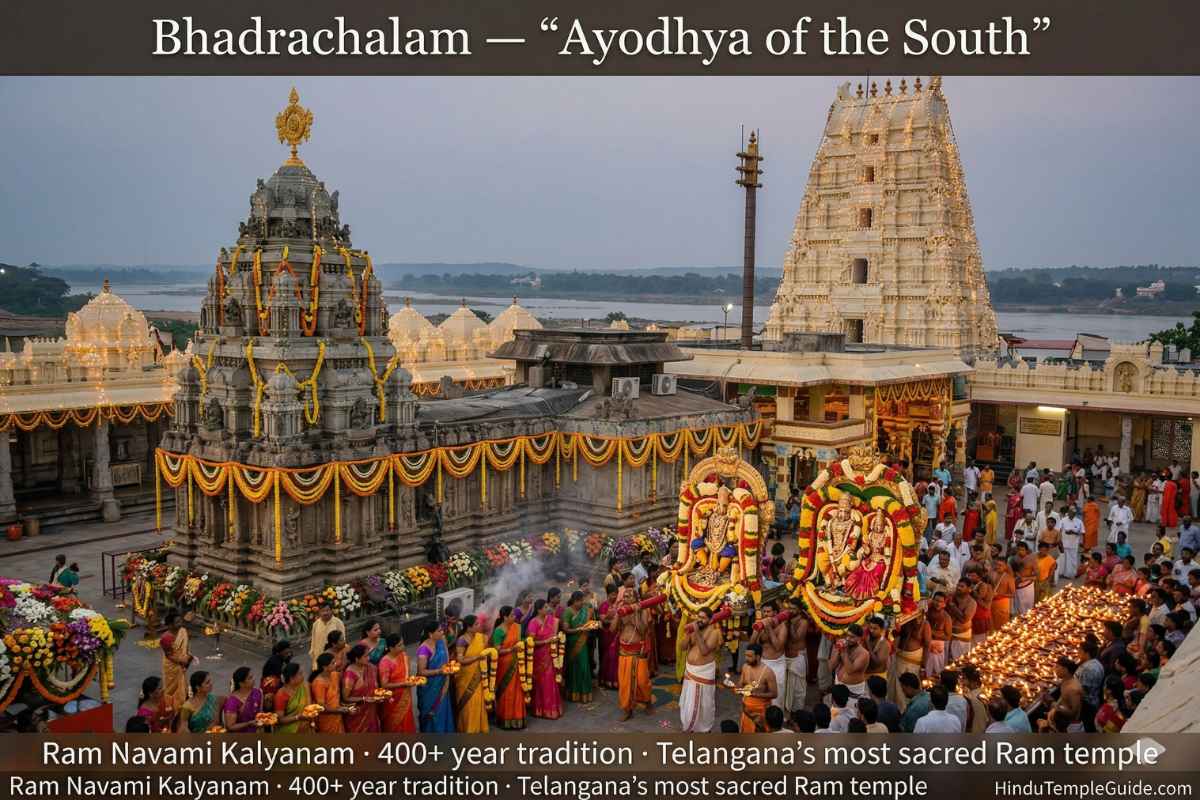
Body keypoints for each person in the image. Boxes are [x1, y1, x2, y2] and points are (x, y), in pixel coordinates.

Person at [679, 607, 722, 733]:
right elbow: (682, 647)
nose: (699, 620)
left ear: (710, 620)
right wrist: (687, 634)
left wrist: (696, 632)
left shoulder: (714, 632)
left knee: (704, 704)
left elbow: (704, 651)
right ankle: (690, 726)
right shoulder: (693, 630)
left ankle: (703, 729)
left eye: (703, 618)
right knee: (688, 702)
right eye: (698, 617)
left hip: (704, 672)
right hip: (690, 671)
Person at [615, 590, 652, 719]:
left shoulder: (642, 611)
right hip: (624, 651)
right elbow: (612, 629)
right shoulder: (622, 611)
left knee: (642, 681)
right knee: (625, 683)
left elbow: (643, 630)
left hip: (638, 651)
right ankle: (627, 709)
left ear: (636, 599)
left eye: (629, 596)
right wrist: (617, 614)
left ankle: (648, 701)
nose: (626, 598)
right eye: (625, 596)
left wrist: (635, 614)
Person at [524, 599, 562, 720]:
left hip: (550, 654)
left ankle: (551, 709)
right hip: (539, 656)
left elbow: (555, 629)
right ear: (539, 610)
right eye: (545, 607)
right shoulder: (533, 623)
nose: (548, 609)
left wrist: (555, 639)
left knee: (551, 679)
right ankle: (540, 709)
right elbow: (531, 643)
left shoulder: (550, 619)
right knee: (541, 682)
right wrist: (546, 641)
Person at [491, 606, 527, 730]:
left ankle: (517, 717)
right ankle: (504, 718)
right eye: (511, 615)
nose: (514, 617)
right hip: (504, 664)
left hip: (517, 662)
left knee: (517, 690)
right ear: (505, 617)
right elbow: (497, 651)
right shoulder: (499, 631)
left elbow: (520, 640)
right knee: (506, 691)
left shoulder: (517, 627)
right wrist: (512, 649)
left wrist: (524, 643)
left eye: (514, 615)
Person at [453, 615, 490, 733]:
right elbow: (461, 660)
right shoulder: (462, 640)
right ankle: (468, 730)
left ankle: (479, 728)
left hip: (479, 675)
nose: (479, 626)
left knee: (479, 702)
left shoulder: (481, 637)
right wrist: (477, 657)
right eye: (476, 624)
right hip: (465, 677)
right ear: (468, 628)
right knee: (468, 704)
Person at [415, 622, 455, 732]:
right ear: (430, 634)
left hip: (443, 684)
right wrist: (439, 671)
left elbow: (447, 661)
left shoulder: (442, 641)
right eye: (439, 631)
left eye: (442, 630)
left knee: (442, 711)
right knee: (431, 714)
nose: (442, 633)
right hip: (429, 687)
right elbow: (421, 671)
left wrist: (448, 671)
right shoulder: (423, 649)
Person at [731, 642, 778, 733]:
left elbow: (774, 694)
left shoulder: (768, 672)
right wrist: (735, 687)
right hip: (747, 708)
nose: (746, 658)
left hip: (761, 712)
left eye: (750, 656)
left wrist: (754, 694)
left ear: (758, 657)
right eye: (746, 655)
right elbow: (741, 683)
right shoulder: (745, 667)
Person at [751, 603, 789, 710]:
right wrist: (755, 632)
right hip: (763, 663)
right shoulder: (760, 625)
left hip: (777, 665)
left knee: (777, 696)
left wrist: (769, 628)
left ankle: (775, 720)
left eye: (769, 612)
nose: (766, 614)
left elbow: (778, 647)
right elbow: (751, 645)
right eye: (764, 612)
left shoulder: (782, 627)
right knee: (762, 692)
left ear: (775, 613)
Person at [378, 633, 417, 733]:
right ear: (391, 648)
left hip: (405, 695)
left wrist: (411, 680)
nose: (403, 647)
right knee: (394, 725)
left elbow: (407, 674)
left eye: (403, 644)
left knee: (407, 721)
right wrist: (403, 684)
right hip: (393, 699)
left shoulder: (403, 655)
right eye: (399, 645)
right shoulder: (385, 662)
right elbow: (384, 685)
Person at [342, 644, 381, 733]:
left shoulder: (370, 667)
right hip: (357, 713)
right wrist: (364, 699)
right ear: (356, 659)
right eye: (366, 656)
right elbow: (346, 697)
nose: (369, 658)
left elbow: (376, 686)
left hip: (371, 711)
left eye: (368, 655)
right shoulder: (350, 674)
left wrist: (379, 696)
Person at [562, 591, 593, 704]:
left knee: (584, 667)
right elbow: (565, 629)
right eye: (579, 601)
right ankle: (574, 693)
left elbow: (588, 623)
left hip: (583, 643)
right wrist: (579, 630)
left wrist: (590, 626)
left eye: (582, 601)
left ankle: (584, 693)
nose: (581, 603)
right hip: (572, 643)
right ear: (573, 601)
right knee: (574, 668)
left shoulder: (584, 610)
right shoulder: (568, 612)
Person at [892, 614, 929, 709]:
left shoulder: (925, 624)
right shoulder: (904, 620)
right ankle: (901, 709)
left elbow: (927, 646)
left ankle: (915, 708)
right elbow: (894, 634)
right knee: (899, 687)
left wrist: (923, 667)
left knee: (913, 684)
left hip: (915, 661)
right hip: (900, 658)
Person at [159, 610, 194, 710]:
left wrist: (187, 657)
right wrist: (182, 661)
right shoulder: (166, 638)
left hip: (181, 662)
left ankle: (182, 703)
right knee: (171, 689)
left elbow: (185, 648)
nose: (180, 624)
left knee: (182, 684)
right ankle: (171, 706)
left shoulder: (182, 631)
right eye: (177, 622)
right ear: (170, 625)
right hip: (172, 666)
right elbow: (169, 655)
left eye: (180, 621)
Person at [310, 652, 348, 734]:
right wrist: (339, 710)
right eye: (333, 663)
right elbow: (322, 707)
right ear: (324, 667)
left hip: (337, 716)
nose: (336, 664)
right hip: (327, 720)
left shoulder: (334, 675)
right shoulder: (319, 683)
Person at [829, 623, 869, 699]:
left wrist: (844, 652)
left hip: (853, 689)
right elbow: (831, 667)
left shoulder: (864, 654)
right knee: (836, 710)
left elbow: (850, 670)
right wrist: (837, 651)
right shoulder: (842, 646)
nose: (848, 639)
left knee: (852, 711)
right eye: (847, 635)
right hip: (838, 684)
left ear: (859, 638)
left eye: (852, 637)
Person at [783, 602, 810, 713]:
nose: (790, 610)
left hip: (798, 657)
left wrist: (791, 625)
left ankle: (797, 713)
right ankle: (787, 712)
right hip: (786, 657)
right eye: (789, 607)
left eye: (793, 608)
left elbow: (796, 639)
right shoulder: (787, 620)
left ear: (799, 610)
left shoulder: (803, 622)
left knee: (798, 690)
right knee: (786, 688)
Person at [273, 662, 312, 733]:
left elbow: (309, 704)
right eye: (300, 674)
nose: (303, 676)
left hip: (304, 727)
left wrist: (308, 717)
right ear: (292, 678)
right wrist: (297, 717)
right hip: (288, 731)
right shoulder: (281, 695)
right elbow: (280, 720)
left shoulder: (304, 685)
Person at [1046, 657, 1083, 732]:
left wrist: (1054, 705)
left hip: (1069, 726)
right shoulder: (1065, 680)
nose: (1054, 669)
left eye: (1057, 667)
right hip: (1060, 718)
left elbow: (1073, 713)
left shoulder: (1073, 689)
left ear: (1065, 670)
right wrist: (1054, 709)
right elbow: (1063, 697)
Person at [222, 667, 264, 733]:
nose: (254, 679)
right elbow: (230, 726)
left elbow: (260, 713)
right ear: (241, 683)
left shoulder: (257, 692)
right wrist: (248, 723)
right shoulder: (232, 701)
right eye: (250, 678)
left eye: (252, 677)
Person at [309, 601, 346, 671]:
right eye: (322, 611)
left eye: (327, 610)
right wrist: (312, 653)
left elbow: (343, 642)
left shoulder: (338, 623)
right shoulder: (316, 624)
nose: (325, 613)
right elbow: (313, 640)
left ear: (331, 610)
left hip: (333, 660)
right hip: (319, 657)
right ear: (319, 612)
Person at [947, 581, 977, 660]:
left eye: (962, 586)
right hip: (948, 634)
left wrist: (953, 606)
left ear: (969, 589)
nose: (958, 588)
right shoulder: (951, 596)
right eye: (958, 585)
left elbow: (964, 620)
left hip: (961, 636)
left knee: (959, 661)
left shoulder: (972, 602)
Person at [260, 639, 292, 713]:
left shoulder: (284, 658)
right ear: (281, 651)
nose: (289, 653)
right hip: (270, 685)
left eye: (289, 651)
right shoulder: (274, 661)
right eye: (286, 652)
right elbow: (279, 677)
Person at [991, 553, 1015, 629]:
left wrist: (999, 594)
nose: (998, 567)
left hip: (1002, 605)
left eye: (1000, 565)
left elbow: (1012, 594)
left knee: (1001, 626)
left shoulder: (1009, 578)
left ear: (1005, 566)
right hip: (991, 603)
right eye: (997, 565)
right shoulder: (992, 574)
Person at [1058, 506, 1083, 579]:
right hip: (1064, 543)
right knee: (1063, 560)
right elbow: (1059, 531)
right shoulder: (1063, 520)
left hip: (1073, 544)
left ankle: (1071, 574)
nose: (1072, 514)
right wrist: (1059, 541)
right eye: (1071, 512)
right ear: (1068, 512)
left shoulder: (1079, 521)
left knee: (1072, 560)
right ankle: (1062, 573)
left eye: (1074, 513)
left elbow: (1081, 532)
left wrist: (1074, 532)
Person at [1013, 543, 1037, 615]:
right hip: (1017, 585)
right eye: (1018, 549)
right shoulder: (1013, 559)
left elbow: (1036, 576)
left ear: (1026, 551)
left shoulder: (1032, 560)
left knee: (1028, 605)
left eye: (1022, 550)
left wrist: (1025, 579)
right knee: (1018, 605)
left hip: (1027, 586)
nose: (1020, 551)